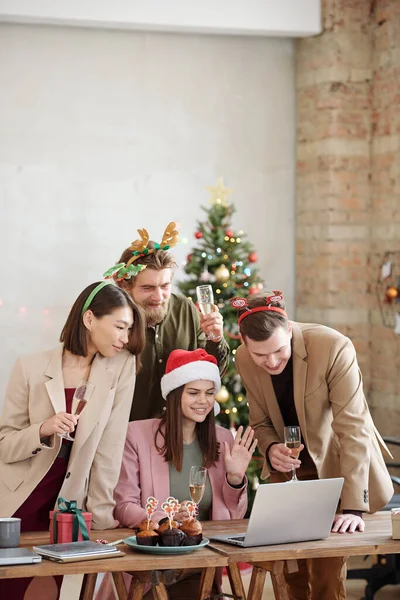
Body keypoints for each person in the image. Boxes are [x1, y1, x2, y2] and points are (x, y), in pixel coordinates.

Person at [233, 290, 394, 600]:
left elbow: (354, 428)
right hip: (289, 473)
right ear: (244, 344)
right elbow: (261, 421)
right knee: (289, 571)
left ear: (289, 329)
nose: (271, 361)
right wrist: (269, 448)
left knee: (326, 575)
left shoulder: (333, 346)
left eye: (279, 350)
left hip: (338, 468)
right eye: (260, 355)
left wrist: (353, 508)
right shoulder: (244, 358)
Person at [0, 280, 145, 600]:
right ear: (90, 319)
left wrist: (103, 521)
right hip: (18, 502)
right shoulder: (30, 367)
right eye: (119, 327)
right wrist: (43, 428)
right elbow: (5, 445)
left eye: (129, 329)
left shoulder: (121, 368)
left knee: (60, 590)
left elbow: (110, 446)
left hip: (70, 505)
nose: (125, 338)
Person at [96, 348, 257, 600]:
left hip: (198, 567)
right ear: (173, 394)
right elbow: (124, 506)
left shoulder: (223, 439)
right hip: (151, 568)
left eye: (209, 393)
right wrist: (165, 522)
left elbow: (232, 517)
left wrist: (235, 479)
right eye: (193, 393)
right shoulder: (136, 435)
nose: (203, 401)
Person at [105, 222, 230, 421]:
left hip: (179, 430)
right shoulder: (111, 319)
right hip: (128, 432)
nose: (159, 296)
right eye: (148, 288)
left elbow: (212, 373)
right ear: (125, 285)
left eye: (165, 285)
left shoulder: (185, 309)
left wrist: (215, 338)